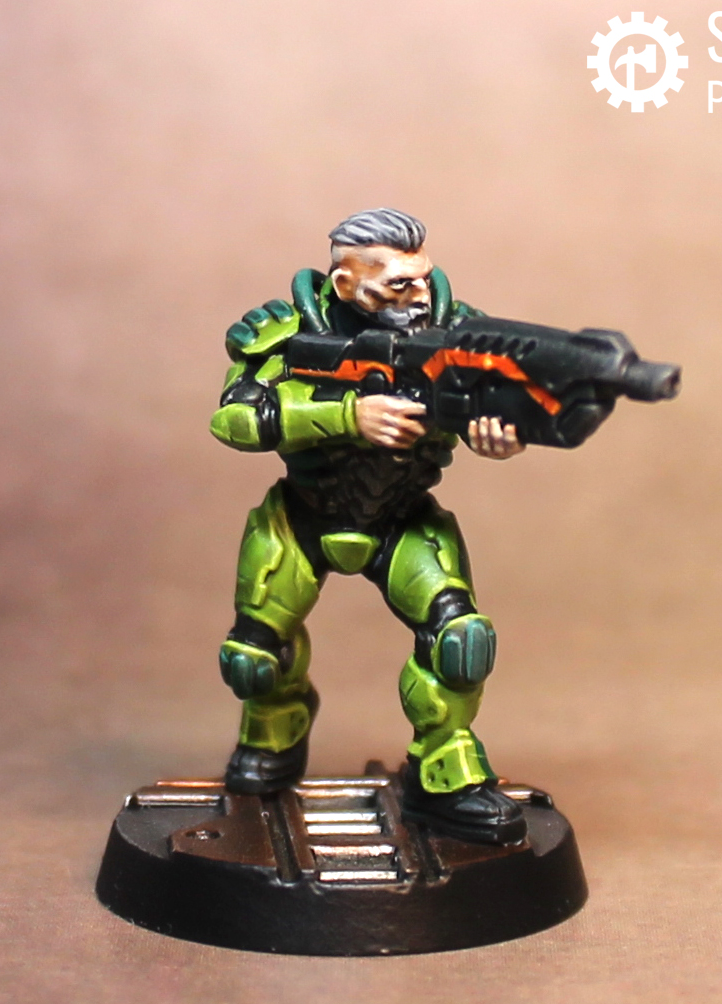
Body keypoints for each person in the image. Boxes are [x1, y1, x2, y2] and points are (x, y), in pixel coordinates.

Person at [210, 208, 528, 844]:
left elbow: (501, 408)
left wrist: (501, 434)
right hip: (303, 515)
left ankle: (444, 777)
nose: (418, 294)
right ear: (344, 281)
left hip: (402, 518)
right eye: (397, 284)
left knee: (460, 641)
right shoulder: (284, 330)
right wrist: (347, 416)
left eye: (422, 277)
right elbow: (234, 418)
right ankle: (274, 733)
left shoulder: (461, 332)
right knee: (253, 657)